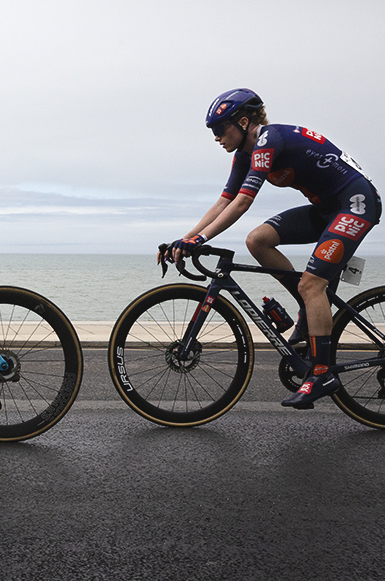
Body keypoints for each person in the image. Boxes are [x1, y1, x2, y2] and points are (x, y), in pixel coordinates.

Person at [162, 88, 381, 409]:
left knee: (311, 284)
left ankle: (322, 374)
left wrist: (200, 240)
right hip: (325, 210)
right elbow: (223, 202)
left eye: (220, 129)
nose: (216, 137)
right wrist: (187, 237)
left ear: (244, 121)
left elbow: (242, 203)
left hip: (355, 204)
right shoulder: (244, 154)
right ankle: (308, 308)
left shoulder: (268, 140)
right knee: (257, 240)